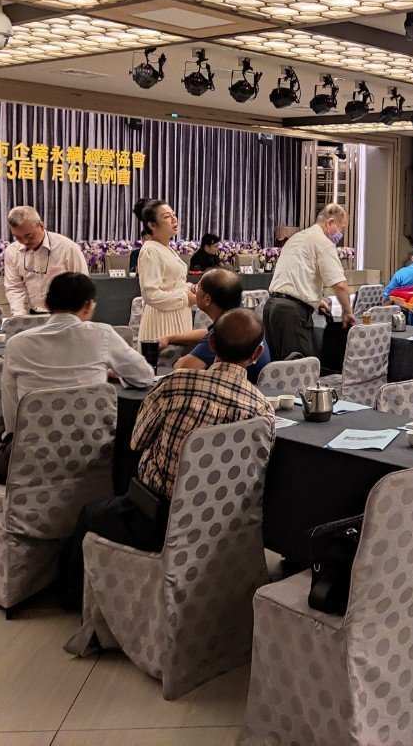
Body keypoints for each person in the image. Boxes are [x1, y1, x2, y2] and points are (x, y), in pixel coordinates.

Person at [0, 272, 154, 595]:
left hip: (28, 456)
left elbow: (10, 411)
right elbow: (144, 376)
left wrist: (12, 439)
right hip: (91, 456)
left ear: (46, 304)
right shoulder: (102, 335)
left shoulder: (19, 344)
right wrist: (110, 373)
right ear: (89, 306)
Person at [60, 308, 271, 608]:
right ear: (257, 354)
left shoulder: (174, 385)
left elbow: (136, 441)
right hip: (216, 523)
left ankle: (74, 603)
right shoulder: (261, 409)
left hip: (152, 516)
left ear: (211, 344)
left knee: (90, 514)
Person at [265, 204, 354, 359]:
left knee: (278, 365)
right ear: (330, 222)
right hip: (291, 314)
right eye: (342, 228)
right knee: (301, 367)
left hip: (272, 308)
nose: (341, 234)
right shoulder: (323, 241)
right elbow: (340, 285)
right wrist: (347, 312)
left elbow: (296, 274)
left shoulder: (298, 238)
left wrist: (316, 301)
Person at [162, 268, 271, 382]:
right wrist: (170, 338)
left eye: (198, 287)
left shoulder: (226, 333)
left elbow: (182, 369)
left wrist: (175, 361)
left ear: (207, 299)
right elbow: (206, 333)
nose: (193, 290)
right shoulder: (241, 320)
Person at [133, 198, 196, 366]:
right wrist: (185, 298)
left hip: (177, 315)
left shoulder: (166, 248)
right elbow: (150, 295)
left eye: (174, 214)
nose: (174, 219)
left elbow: (173, 283)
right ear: (152, 225)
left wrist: (191, 288)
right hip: (162, 320)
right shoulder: (150, 250)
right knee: (163, 369)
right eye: (167, 216)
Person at [2, 206, 88, 316]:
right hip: (33, 314)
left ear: (41, 226)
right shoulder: (12, 251)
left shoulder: (67, 248)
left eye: (29, 236)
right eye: (18, 237)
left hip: (65, 315)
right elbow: (14, 288)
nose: (24, 241)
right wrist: (20, 317)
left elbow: (83, 285)